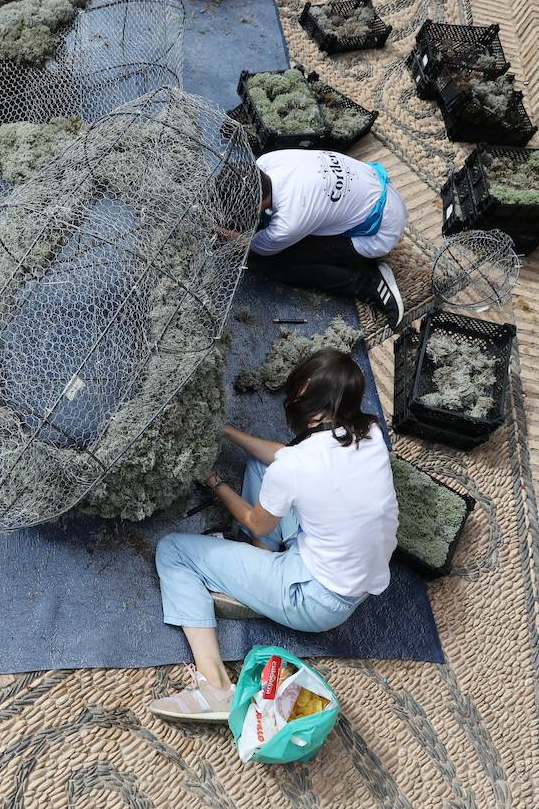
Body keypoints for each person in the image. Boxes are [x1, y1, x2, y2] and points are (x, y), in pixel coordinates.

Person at [149, 348, 398, 723]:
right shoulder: (371, 432)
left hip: (315, 598)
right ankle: (260, 565)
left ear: (312, 414)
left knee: (173, 552)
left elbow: (255, 518)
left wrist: (214, 480)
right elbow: (286, 459)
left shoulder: (297, 466)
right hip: (349, 574)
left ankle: (215, 686)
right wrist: (226, 432)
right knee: (261, 465)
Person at [250, 149, 408, 328]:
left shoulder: (288, 221)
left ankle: (368, 283)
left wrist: (227, 235)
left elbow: (254, 247)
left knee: (276, 262)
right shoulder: (266, 161)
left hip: (382, 230)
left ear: (256, 204)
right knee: (302, 227)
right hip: (372, 187)